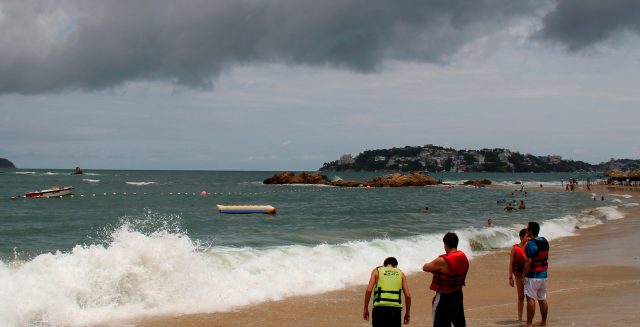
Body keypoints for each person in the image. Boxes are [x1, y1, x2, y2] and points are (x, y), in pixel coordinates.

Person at [423, 232, 469, 327]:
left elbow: (425, 267)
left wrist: (437, 271)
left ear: (445, 245)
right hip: (458, 295)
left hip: (444, 298)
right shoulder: (463, 258)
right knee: (459, 324)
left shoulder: (442, 261)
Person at [364, 257, 412, 326]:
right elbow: (408, 296)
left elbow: (369, 290)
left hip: (379, 309)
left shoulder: (377, 271)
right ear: (395, 266)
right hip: (395, 310)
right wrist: (407, 313)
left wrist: (366, 309)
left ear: (384, 265)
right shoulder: (401, 274)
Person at [523, 222, 549, 327]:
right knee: (542, 298)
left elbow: (528, 262)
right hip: (544, 275)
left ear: (531, 231)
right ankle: (543, 321)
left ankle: (529, 323)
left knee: (530, 298)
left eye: (527, 229)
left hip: (533, 276)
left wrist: (523, 275)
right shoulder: (544, 241)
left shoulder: (530, 244)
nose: (526, 231)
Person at [509, 228, 528, 321]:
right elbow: (511, 263)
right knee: (521, 297)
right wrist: (510, 278)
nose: (528, 238)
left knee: (530, 297)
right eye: (526, 236)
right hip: (518, 276)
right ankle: (520, 318)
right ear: (521, 237)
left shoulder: (530, 247)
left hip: (529, 276)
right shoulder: (515, 249)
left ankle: (529, 318)